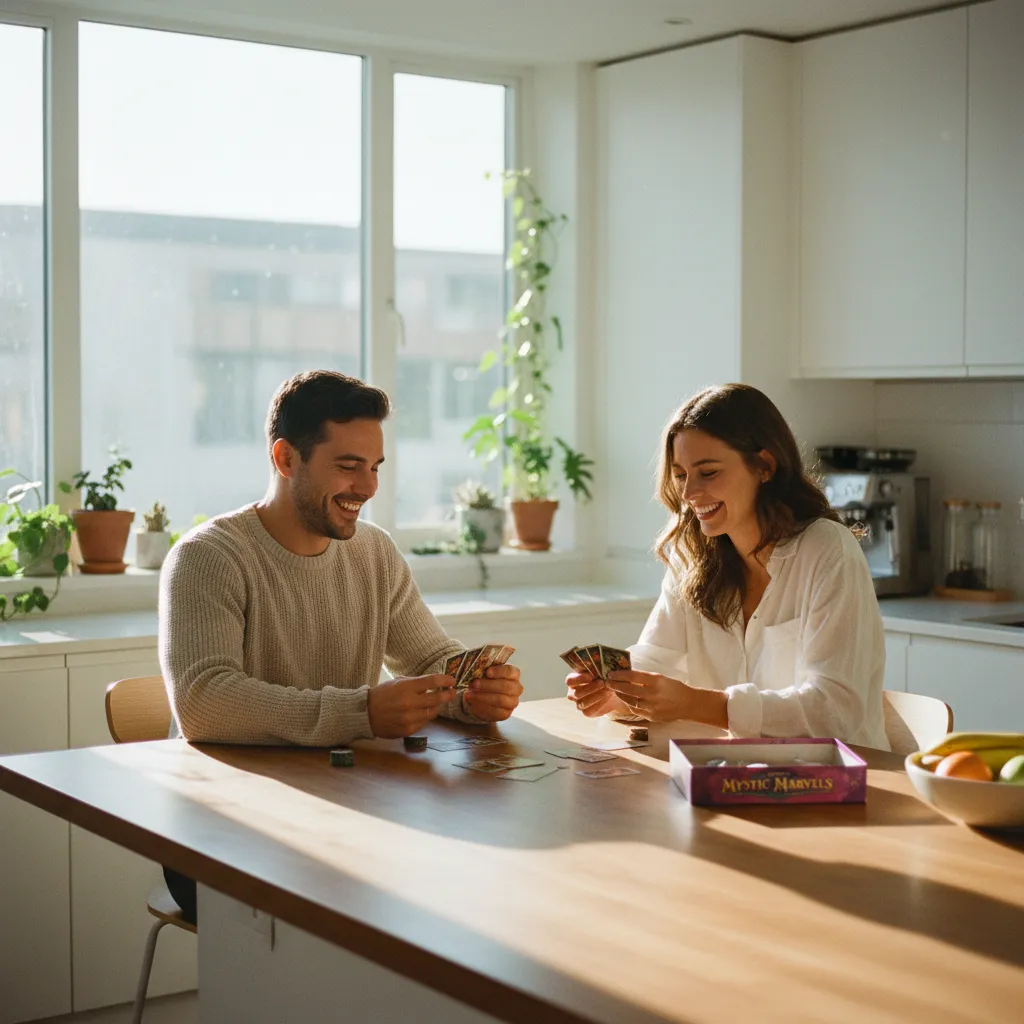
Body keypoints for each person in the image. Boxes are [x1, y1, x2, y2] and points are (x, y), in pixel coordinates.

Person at [158, 370, 524, 922]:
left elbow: (428, 659)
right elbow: (203, 702)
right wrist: (362, 711)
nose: (369, 487)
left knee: (472, 885)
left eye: (375, 467)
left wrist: (468, 693)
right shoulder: (208, 557)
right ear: (285, 459)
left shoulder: (373, 552)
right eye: (348, 466)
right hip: (222, 834)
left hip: (344, 812)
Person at [566, 383, 888, 750]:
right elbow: (657, 659)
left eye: (708, 472)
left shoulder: (827, 550)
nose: (688, 494)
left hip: (843, 785)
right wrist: (613, 693)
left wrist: (699, 704)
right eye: (680, 474)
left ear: (764, 466)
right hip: (731, 777)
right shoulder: (692, 558)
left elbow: (835, 712)